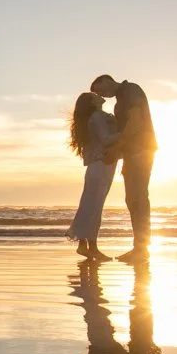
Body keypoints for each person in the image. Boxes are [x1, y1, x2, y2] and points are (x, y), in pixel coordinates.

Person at [90, 74, 157, 263]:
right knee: (132, 199)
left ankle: (141, 249)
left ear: (106, 80)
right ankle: (139, 247)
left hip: (141, 150)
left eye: (101, 90)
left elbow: (135, 122)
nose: (104, 95)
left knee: (139, 197)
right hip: (131, 152)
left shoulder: (129, 90)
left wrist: (119, 148)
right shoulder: (121, 99)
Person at [66, 92, 120, 261]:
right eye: (94, 95)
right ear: (92, 103)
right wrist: (128, 134)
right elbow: (106, 139)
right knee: (95, 206)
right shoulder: (97, 117)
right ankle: (92, 247)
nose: (98, 96)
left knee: (89, 204)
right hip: (102, 165)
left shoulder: (97, 117)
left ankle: (84, 246)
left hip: (97, 166)